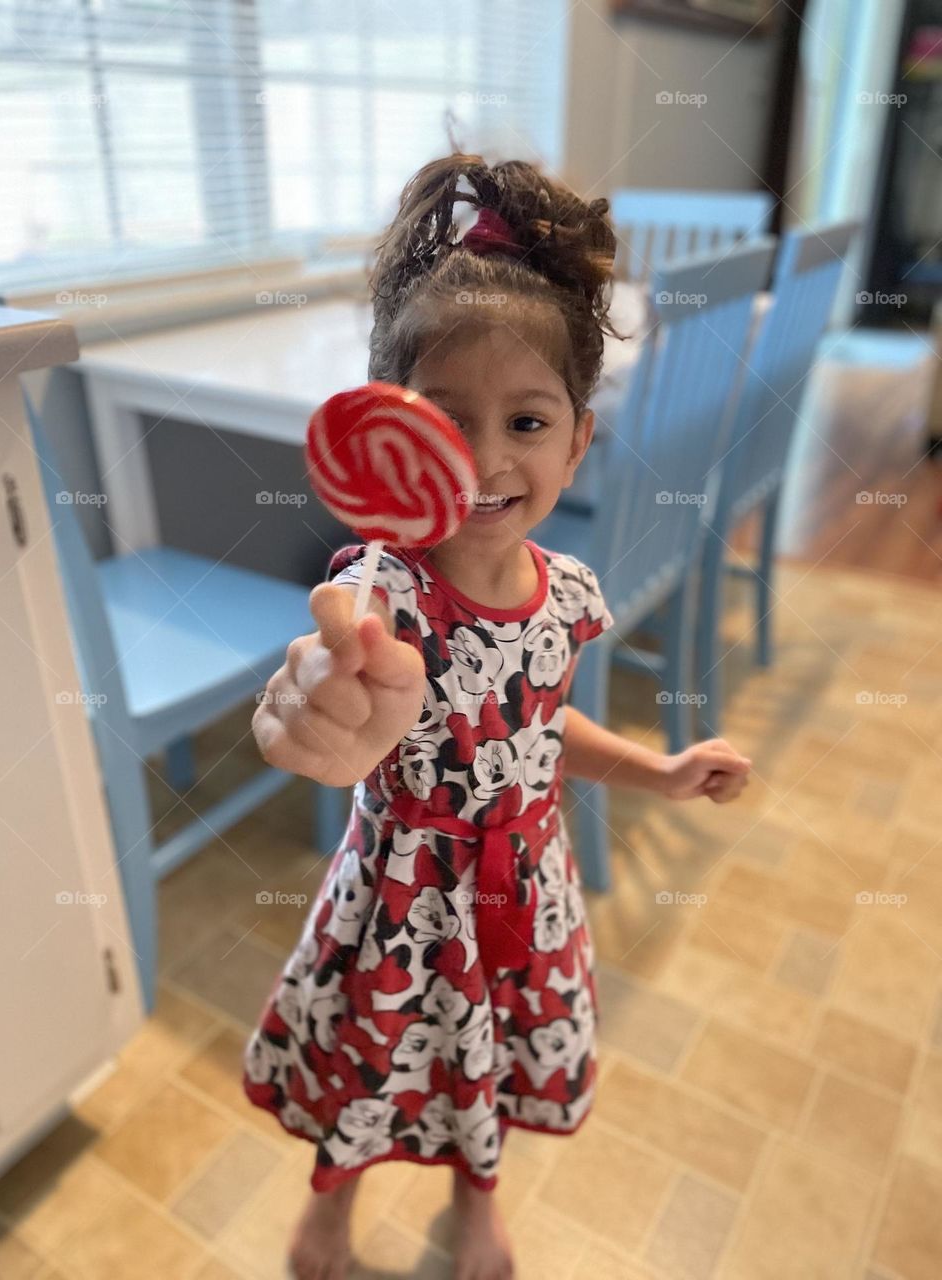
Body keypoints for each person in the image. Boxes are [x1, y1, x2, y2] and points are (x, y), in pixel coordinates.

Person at [244, 152, 752, 1280]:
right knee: (373, 1062)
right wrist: (328, 701)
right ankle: (333, 1201)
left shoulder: (567, 593)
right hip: (403, 899)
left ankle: (480, 1199)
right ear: (390, 437)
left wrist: (661, 771)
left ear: (577, 440)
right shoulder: (390, 588)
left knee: (496, 1059)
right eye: (446, 420)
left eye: (526, 420)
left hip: (525, 887)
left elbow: (537, 732)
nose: (483, 458)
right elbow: (354, 668)